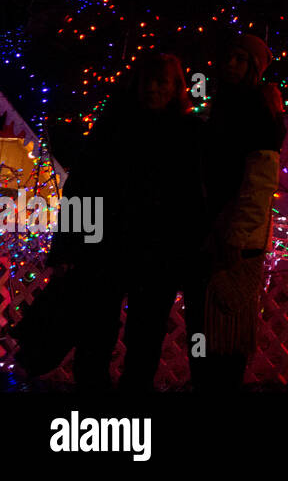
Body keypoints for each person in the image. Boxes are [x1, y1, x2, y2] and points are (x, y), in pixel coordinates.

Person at [46, 51, 204, 391]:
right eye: (148, 81)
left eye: (162, 82)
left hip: (157, 249)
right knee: (96, 330)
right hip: (107, 246)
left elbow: (194, 197)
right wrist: (67, 245)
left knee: (145, 334)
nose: (153, 89)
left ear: (175, 86)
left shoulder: (188, 132)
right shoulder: (113, 127)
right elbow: (81, 187)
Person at [187, 34, 285, 391]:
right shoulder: (221, 108)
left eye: (240, 59)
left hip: (232, 240)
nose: (230, 65)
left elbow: (260, 178)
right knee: (203, 330)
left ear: (254, 68)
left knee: (226, 331)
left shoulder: (255, 109)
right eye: (227, 57)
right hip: (209, 233)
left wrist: (238, 235)